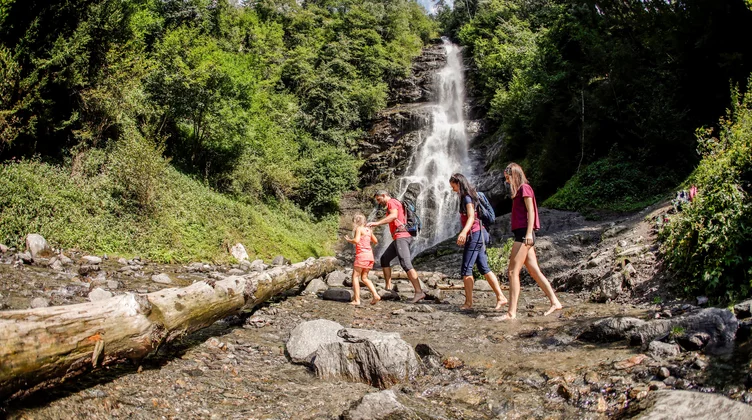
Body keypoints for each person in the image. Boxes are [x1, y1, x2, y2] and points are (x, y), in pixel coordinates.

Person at [500, 163, 562, 320]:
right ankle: (555, 302)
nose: (507, 182)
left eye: (508, 178)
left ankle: (511, 312)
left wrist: (528, 233)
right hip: (522, 234)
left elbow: (532, 211)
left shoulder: (524, 188)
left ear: (514, 175)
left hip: (524, 235)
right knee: (534, 270)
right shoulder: (519, 191)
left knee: (513, 271)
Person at [449, 173, 508, 311]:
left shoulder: (467, 197)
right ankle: (501, 297)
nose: (453, 190)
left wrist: (463, 232)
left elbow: (471, 217)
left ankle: (469, 303)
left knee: (466, 269)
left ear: (459, 183)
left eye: (453, 186)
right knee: (483, 267)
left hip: (475, 234)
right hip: (480, 234)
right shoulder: (470, 195)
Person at [367, 190, 425, 303]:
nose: (379, 202)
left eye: (379, 199)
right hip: (399, 237)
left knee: (406, 263)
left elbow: (393, 216)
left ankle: (419, 292)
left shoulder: (391, 202)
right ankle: (388, 288)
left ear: (384, 195)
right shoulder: (395, 202)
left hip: (401, 236)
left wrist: (376, 223)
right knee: (385, 259)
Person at [344, 214, 381, 305]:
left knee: (355, 277)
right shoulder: (369, 230)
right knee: (364, 277)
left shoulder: (359, 229)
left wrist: (349, 240)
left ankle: (357, 300)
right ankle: (376, 295)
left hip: (362, 256)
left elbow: (356, 241)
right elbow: (375, 241)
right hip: (369, 256)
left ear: (356, 222)